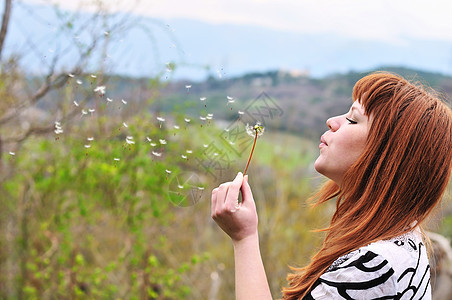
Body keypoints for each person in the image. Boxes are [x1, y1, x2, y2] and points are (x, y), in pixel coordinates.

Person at [211, 72, 452, 299]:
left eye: (352, 119)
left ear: (385, 155)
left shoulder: (372, 268)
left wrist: (244, 238)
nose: (331, 121)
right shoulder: (406, 236)